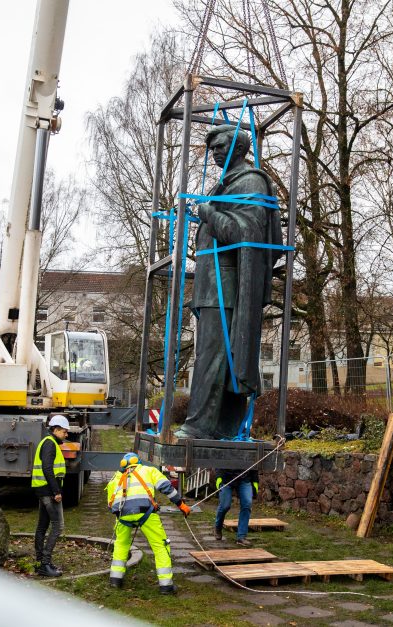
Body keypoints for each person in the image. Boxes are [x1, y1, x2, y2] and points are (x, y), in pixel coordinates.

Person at [174, 125, 284, 440]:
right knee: (212, 356)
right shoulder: (227, 184)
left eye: (220, 146)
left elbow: (245, 234)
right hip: (214, 284)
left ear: (238, 146)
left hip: (228, 286)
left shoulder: (250, 181)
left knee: (212, 355)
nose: (215, 153)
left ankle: (199, 426)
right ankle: (221, 425)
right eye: (212, 149)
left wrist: (209, 213)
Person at [107, 453, 192, 594]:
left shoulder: (116, 477)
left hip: (122, 517)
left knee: (121, 545)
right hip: (146, 514)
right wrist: (181, 505)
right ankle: (166, 586)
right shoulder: (148, 470)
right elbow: (167, 488)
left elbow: (110, 504)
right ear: (138, 462)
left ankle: (115, 580)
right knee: (160, 546)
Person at [31, 414, 69, 577]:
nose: (66, 435)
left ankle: (41, 562)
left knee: (42, 526)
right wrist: (57, 492)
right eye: (65, 432)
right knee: (57, 527)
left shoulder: (48, 442)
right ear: (56, 429)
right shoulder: (50, 444)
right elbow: (47, 469)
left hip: (42, 490)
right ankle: (44, 563)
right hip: (49, 492)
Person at [213, 467, 259, 547]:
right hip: (226, 478)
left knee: (247, 504)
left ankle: (241, 537)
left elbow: (254, 462)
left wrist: (255, 481)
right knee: (225, 505)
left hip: (244, 478)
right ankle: (218, 527)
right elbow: (219, 460)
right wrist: (219, 477)